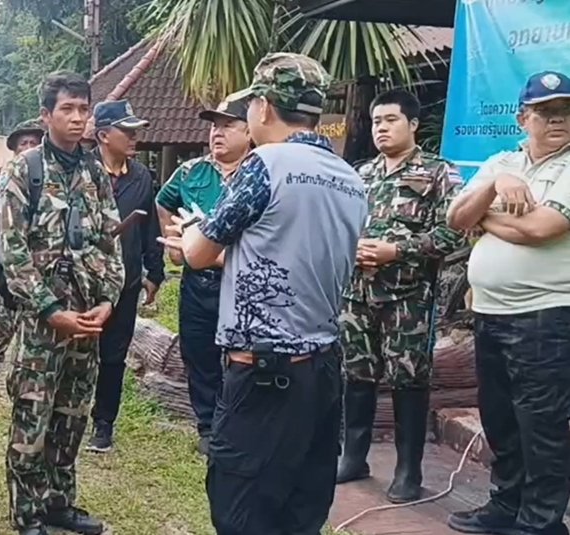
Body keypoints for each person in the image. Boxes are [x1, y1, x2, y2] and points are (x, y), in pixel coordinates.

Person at [161, 53, 367, 535]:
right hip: (322, 369)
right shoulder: (350, 178)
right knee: (301, 508)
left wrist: (191, 234)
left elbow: (197, 251)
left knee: (241, 507)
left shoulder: (266, 165)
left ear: (263, 107)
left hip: (264, 374)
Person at [0, 71, 125, 535]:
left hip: (88, 319)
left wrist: (108, 299)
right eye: (67, 109)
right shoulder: (24, 170)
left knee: (71, 415)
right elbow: (12, 253)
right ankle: (28, 513)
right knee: (32, 416)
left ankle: (58, 503)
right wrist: (52, 311)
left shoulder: (94, 171)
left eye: (83, 109)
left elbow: (111, 242)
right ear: (46, 114)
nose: (77, 118)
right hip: (44, 323)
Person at [446, 71, 570, 535]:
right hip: (490, 314)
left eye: (565, 112)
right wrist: (495, 186)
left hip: (546, 315)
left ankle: (541, 521)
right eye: (545, 111)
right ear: (523, 118)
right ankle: (506, 505)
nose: (557, 120)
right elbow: (457, 217)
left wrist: (484, 219)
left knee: (541, 423)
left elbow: (541, 231)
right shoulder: (501, 161)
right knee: (499, 417)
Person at [336, 89, 466, 503]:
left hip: (407, 298)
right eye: (376, 121)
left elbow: (454, 232)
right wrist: (352, 249)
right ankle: (353, 456)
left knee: (409, 380)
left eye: (391, 120)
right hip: (357, 295)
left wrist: (399, 250)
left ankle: (408, 470)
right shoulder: (360, 174)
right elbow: (340, 225)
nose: (381, 128)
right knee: (356, 376)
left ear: (412, 124)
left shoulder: (439, 172)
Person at [155, 98, 252, 455]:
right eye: (214, 126)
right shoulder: (191, 172)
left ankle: (237, 426)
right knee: (199, 354)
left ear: (249, 130)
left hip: (239, 283)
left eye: (228, 125)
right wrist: (173, 243)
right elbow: (163, 202)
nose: (218, 133)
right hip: (197, 283)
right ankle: (208, 426)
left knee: (240, 358)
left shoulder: (258, 172)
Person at [85, 99, 165, 453]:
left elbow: (149, 228)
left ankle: (104, 423)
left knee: (114, 355)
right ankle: (65, 418)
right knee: (77, 351)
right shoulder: (81, 171)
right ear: (103, 135)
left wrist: (155, 271)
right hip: (84, 281)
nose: (134, 138)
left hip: (127, 281)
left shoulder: (142, 176)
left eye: (136, 131)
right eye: (127, 131)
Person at [0, 119, 45, 378]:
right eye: (23, 143)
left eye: (33, 142)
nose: (28, 147)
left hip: (40, 255)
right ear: (14, 149)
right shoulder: (1, 175)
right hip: (7, 254)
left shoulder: (50, 174)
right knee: (1, 305)